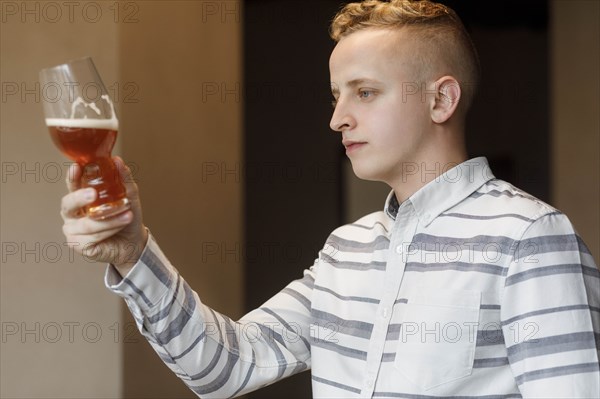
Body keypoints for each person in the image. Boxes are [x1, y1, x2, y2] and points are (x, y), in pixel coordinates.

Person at [60, 0, 600, 397]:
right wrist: (133, 254)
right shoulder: (347, 248)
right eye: (336, 94)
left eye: (364, 92)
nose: (337, 118)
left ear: (441, 99)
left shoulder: (529, 238)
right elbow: (223, 366)